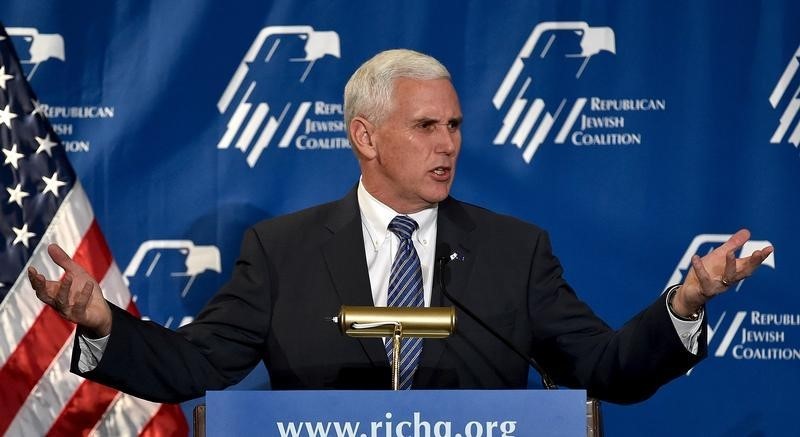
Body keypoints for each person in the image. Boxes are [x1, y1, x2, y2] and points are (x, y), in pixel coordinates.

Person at [28, 49, 773, 404]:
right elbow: (195, 365)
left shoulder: (514, 252)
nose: (448, 143)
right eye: (425, 125)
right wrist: (102, 321)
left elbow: (609, 368)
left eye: (454, 125)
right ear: (365, 136)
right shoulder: (281, 252)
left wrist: (685, 302)